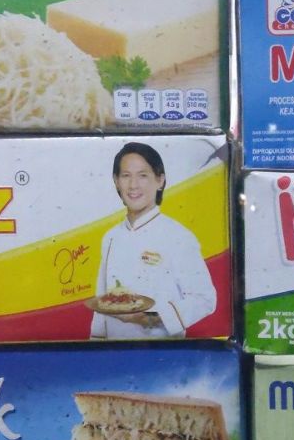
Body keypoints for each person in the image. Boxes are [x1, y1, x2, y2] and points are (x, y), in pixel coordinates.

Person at [90, 142, 218, 339]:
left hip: (161, 351)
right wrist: (96, 345)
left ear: (160, 181)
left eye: (143, 175)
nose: (133, 185)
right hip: (114, 351)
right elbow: (102, 304)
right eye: (126, 176)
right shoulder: (111, 237)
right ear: (116, 181)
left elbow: (205, 299)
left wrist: (149, 318)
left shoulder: (178, 236)